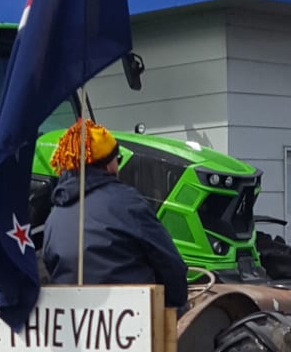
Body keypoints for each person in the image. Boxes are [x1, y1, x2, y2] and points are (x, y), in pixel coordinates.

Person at [43, 119, 188, 308]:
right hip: (130, 323)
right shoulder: (128, 203)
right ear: (108, 165)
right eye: (117, 159)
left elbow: (50, 266)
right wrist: (176, 303)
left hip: (74, 324)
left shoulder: (55, 214)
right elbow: (170, 263)